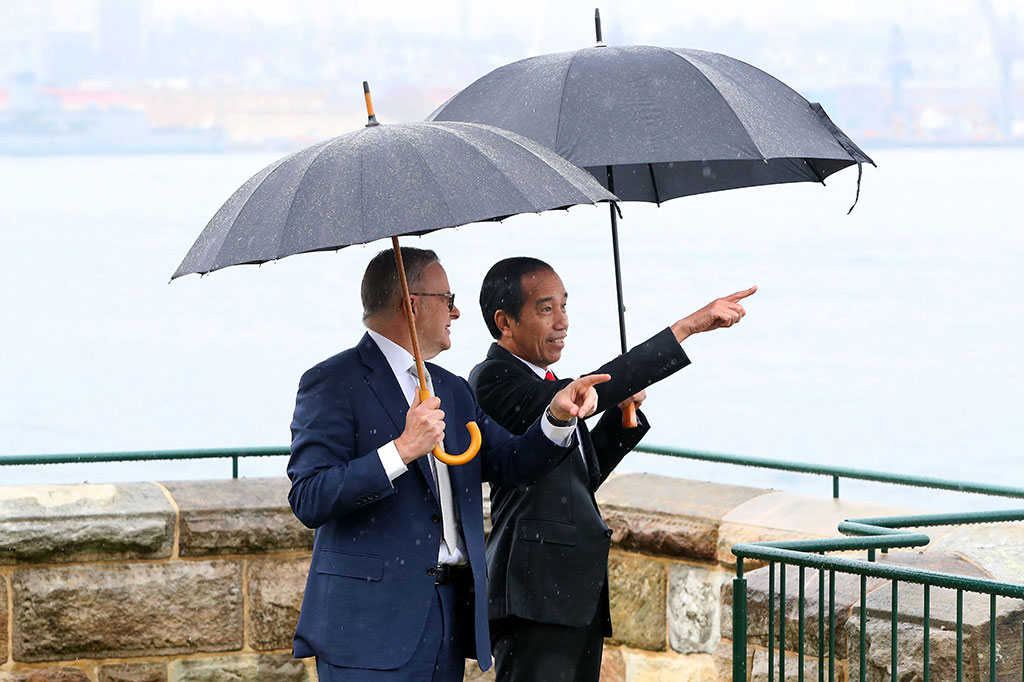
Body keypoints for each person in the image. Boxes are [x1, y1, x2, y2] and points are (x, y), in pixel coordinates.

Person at [286, 247, 610, 682]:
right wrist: (401, 450)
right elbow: (309, 497)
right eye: (447, 298)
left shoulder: (453, 391)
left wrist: (555, 417)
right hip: (368, 628)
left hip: (447, 622)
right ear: (412, 304)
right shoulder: (332, 382)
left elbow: (513, 462)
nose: (456, 312)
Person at [469, 257, 756, 682]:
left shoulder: (548, 384)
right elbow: (573, 399)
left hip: (571, 593)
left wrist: (620, 419)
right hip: (535, 595)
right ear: (505, 322)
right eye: (546, 309)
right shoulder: (495, 379)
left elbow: (578, 478)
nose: (562, 321)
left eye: (565, 306)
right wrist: (686, 328)